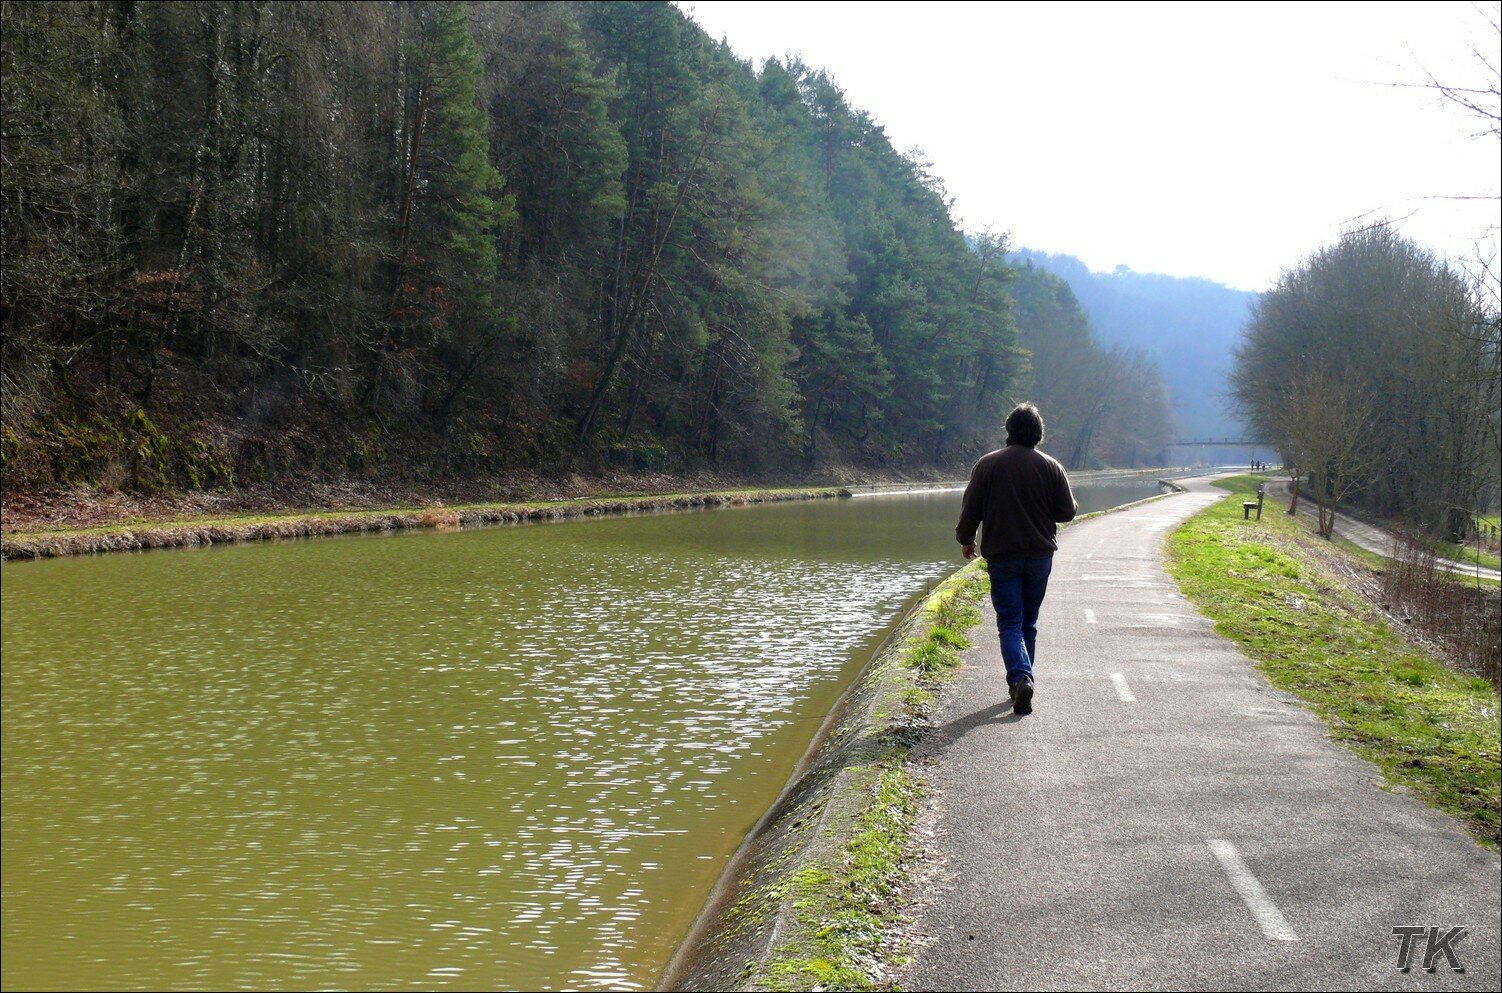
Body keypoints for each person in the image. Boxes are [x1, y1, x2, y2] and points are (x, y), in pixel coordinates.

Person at [955, 403, 1077, 715]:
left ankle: (1020, 679)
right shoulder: (1051, 466)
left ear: (1009, 430)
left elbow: (971, 510)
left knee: (1009, 622)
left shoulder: (987, 465)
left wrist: (966, 540)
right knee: (1028, 622)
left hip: (1002, 556)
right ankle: (1021, 683)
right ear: (1039, 433)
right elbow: (1067, 512)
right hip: (1039, 556)